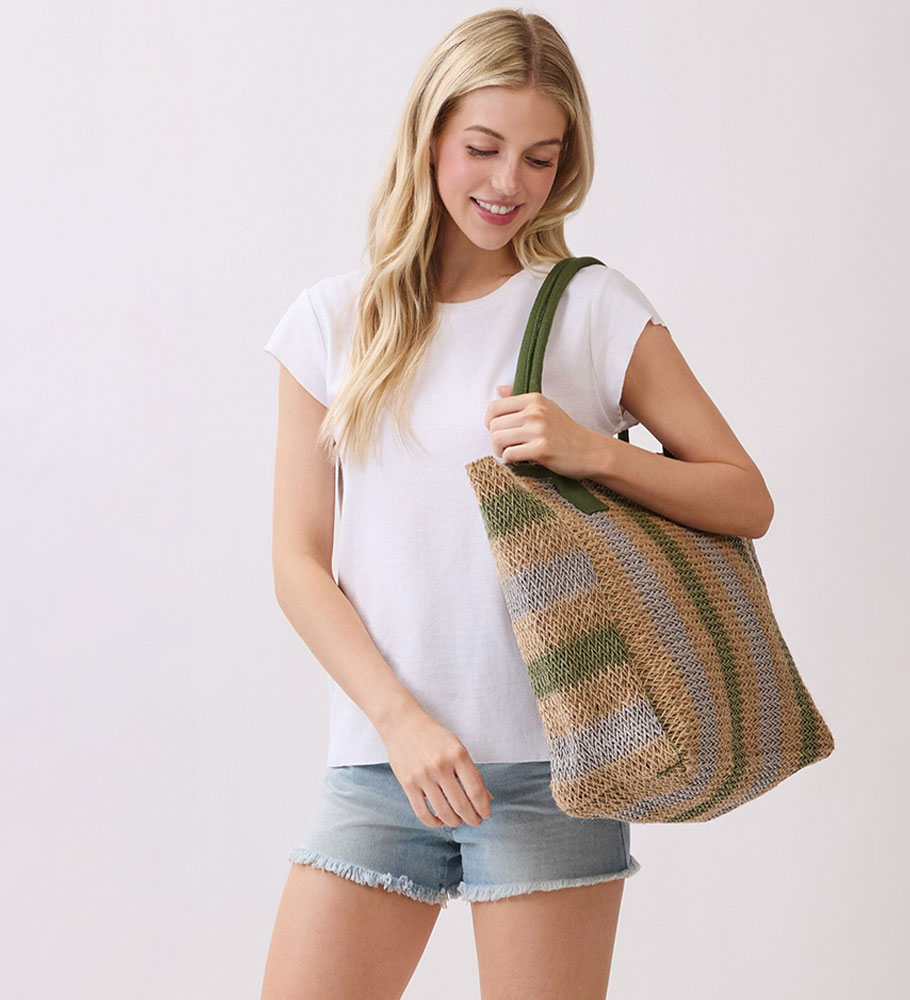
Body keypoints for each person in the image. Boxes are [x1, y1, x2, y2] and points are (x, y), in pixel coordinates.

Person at [259, 9, 774, 1000]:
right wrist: (401, 724)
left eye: (540, 158)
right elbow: (297, 563)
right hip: (381, 765)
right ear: (430, 137)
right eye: (484, 148)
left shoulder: (589, 308)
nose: (508, 184)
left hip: (556, 772)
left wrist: (595, 453)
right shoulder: (332, 323)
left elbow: (743, 496)